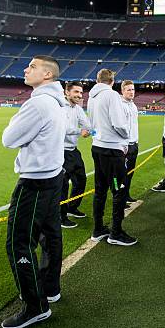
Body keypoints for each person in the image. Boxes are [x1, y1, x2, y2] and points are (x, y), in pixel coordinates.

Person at [1, 55, 66, 328]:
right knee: (51, 236)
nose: (26, 69)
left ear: (47, 75)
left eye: (32, 66)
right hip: (53, 178)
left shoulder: (38, 103)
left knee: (19, 243)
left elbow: (8, 139)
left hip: (35, 184)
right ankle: (50, 288)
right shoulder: (56, 101)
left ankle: (35, 306)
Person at [87, 69, 136, 246]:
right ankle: (116, 232)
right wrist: (126, 138)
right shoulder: (112, 96)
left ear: (97, 80)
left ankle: (98, 228)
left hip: (97, 148)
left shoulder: (92, 97)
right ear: (112, 81)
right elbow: (119, 124)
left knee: (100, 189)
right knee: (118, 189)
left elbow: (91, 123)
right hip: (111, 151)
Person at [60, 81, 91, 229]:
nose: (79, 95)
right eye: (76, 92)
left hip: (73, 150)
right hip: (61, 151)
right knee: (63, 186)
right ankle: (61, 216)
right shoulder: (60, 107)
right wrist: (80, 131)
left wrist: (88, 129)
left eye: (80, 92)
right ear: (67, 92)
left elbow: (87, 124)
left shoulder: (77, 108)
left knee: (81, 180)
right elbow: (64, 128)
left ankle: (72, 207)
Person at [121, 80, 140, 206]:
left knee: (130, 173)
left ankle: (126, 195)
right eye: (128, 89)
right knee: (121, 175)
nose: (131, 92)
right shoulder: (120, 105)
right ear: (122, 91)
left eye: (133, 89)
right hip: (125, 146)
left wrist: (136, 142)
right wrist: (123, 145)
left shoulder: (133, 106)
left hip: (134, 144)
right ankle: (120, 198)